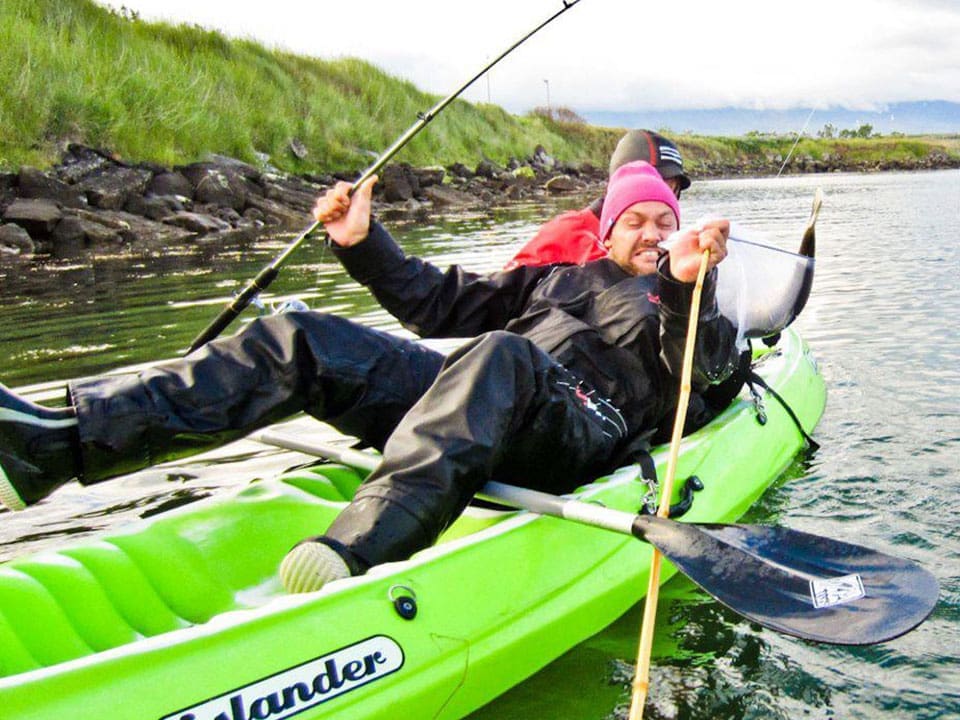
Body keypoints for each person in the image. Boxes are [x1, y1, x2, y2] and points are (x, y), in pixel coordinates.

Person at [0, 161, 734, 595]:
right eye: (634, 220)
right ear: (607, 231)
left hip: (583, 429)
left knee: (498, 357)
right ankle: (57, 445)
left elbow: (699, 373)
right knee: (304, 338)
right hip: (484, 395)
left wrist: (684, 288)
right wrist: (361, 242)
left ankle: (355, 549)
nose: (649, 232)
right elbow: (437, 302)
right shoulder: (554, 279)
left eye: (661, 220)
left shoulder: (693, 294)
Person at [503, 129, 692, 270]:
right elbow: (511, 291)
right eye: (651, 182)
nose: (660, 196)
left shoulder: (672, 244)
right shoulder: (567, 232)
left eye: (673, 190)